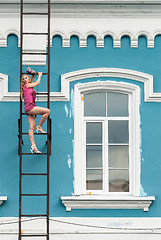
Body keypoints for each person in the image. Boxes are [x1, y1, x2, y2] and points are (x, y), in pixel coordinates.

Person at [20, 72, 50, 154]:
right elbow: (37, 83)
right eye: (23, 79)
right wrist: (39, 75)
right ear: (23, 81)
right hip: (30, 107)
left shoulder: (28, 87)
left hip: (28, 108)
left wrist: (33, 75)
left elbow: (34, 83)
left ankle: (33, 146)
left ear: (29, 78)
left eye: (26, 78)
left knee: (31, 127)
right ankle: (39, 127)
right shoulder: (27, 86)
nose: (25, 79)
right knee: (47, 111)